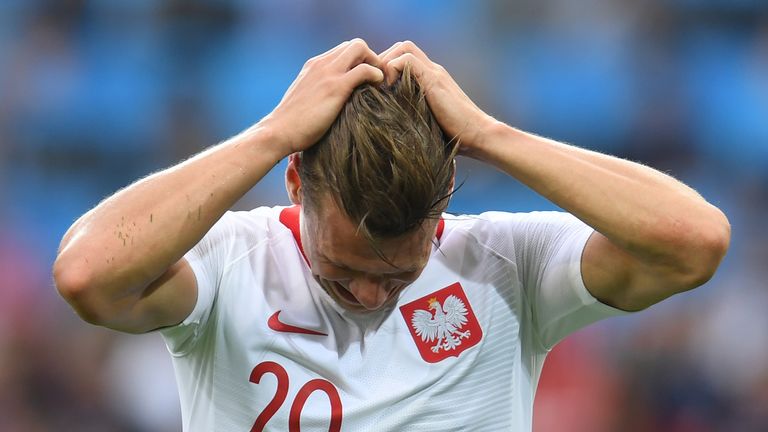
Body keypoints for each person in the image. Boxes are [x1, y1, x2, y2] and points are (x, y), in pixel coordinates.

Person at [53, 39, 730, 431]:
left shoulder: (506, 265)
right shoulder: (230, 263)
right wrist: (270, 133)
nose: (372, 294)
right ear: (295, 184)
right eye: (342, 268)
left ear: (442, 214)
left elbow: (694, 241)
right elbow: (87, 275)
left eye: (399, 273)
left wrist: (489, 135)